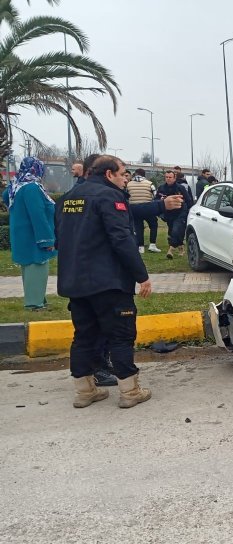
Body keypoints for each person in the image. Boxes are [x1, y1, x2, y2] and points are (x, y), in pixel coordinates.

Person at [55, 155, 152, 409]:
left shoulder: (66, 199)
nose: (125, 179)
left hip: (75, 282)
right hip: (108, 282)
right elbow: (121, 239)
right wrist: (141, 275)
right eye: (122, 174)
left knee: (84, 336)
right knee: (121, 336)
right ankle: (131, 391)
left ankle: (84, 391)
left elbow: (61, 239)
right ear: (109, 174)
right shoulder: (110, 197)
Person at [1, 157, 57, 310]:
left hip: (21, 234)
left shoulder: (15, 186)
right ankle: (34, 304)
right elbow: (37, 214)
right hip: (34, 235)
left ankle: (37, 299)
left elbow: (6, 198)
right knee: (37, 266)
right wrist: (46, 240)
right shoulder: (32, 187)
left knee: (29, 267)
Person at [155, 170, 191, 259]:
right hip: (169, 213)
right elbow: (155, 200)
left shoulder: (180, 188)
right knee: (172, 231)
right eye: (166, 177)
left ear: (174, 178)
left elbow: (188, 200)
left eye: (170, 177)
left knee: (176, 229)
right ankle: (181, 247)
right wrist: (161, 200)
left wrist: (188, 211)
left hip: (180, 212)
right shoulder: (161, 188)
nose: (168, 179)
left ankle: (170, 250)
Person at [127, 168, 160, 253]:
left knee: (138, 227)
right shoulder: (150, 184)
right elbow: (155, 195)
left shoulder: (128, 184)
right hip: (147, 207)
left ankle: (140, 247)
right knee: (153, 225)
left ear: (135, 174)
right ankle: (152, 244)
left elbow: (125, 196)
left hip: (134, 208)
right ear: (144, 175)